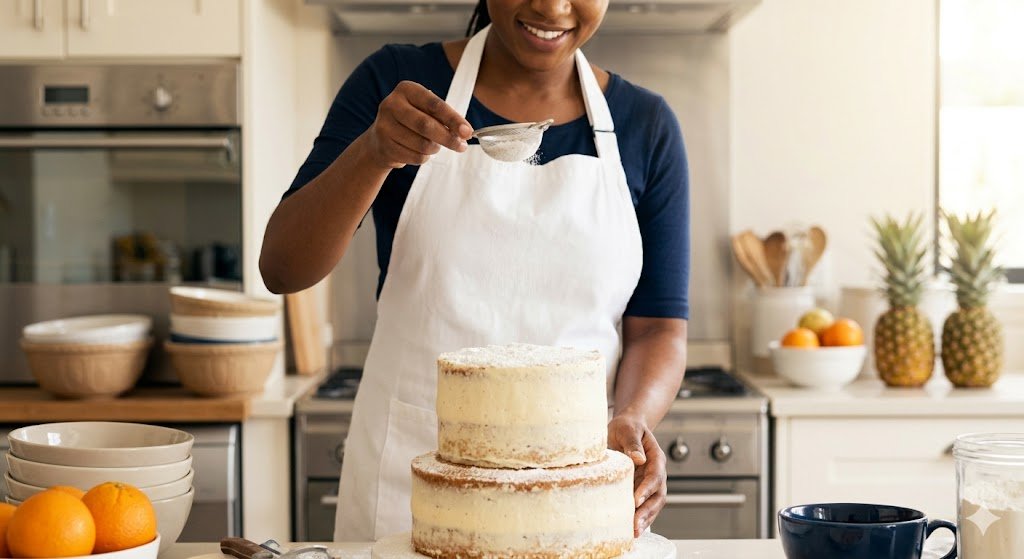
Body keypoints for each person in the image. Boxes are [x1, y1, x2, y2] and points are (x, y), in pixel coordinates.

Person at [260, 0, 690, 543]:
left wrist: (632, 416)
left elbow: (658, 329)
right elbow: (282, 268)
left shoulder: (645, 125)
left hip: (571, 481)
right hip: (410, 481)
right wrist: (373, 151)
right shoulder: (397, 85)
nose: (552, 7)